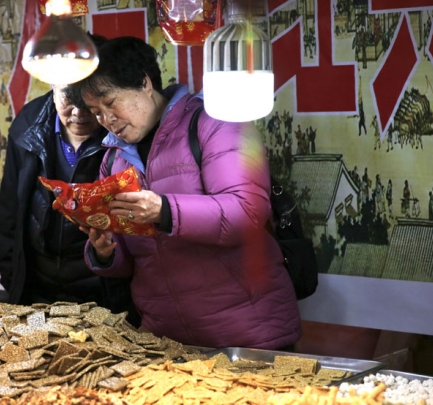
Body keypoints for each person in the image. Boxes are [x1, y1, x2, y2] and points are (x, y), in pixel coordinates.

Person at [68, 36, 301, 349]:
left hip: (247, 333)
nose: (106, 120)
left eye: (111, 103)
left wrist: (165, 211)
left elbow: (247, 213)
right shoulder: (113, 159)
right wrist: (105, 250)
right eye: (96, 112)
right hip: (166, 340)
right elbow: (130, 257)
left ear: (144, 82)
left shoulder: (215, 123)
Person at [0, 35, 137, 322]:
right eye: (67, 101)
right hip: (37, 290)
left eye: (87, 103)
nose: (79, 114)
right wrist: (14, 282)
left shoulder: (125, 133)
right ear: (52, 87)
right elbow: (9, 212)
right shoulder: (28, 124)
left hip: (104, 292)